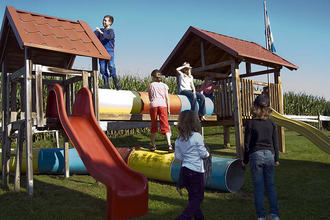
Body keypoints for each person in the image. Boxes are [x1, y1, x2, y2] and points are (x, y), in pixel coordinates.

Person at [242, 94, 280, 220]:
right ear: (268, 107)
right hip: (269, 155)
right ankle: (274, 215)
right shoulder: (272, 123)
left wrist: (245, 160)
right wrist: (277, 159)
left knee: (258, 187)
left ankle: (261, 216)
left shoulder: (250, 123)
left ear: (255, 107)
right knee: (270, 186)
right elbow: (275, 143)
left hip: (255, 155)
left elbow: (247, 145)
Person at [174, 110, 210, 220]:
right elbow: (203, 154)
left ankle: (199, 217)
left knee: (192, 197)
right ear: (194, 122)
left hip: (185, 170)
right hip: (196, 171)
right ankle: (183, 217)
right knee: (198, 197)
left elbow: (178, 157)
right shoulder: (197, 136)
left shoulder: (179, 139)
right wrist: (207, 153)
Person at [147, 69, 173, 152]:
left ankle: (153, 145)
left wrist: (153, 102)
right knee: (165, 124)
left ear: (153, 77)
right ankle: (169, 146)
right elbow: (167, 98)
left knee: (153, 124)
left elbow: (150, 97)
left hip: (154, 105)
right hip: (163, 105)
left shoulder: (151, 85)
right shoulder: (164, 85)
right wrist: (168, 108)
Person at [95, 15, 121, 90]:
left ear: (110, 23)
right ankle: (106, 83)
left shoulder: (111, 31)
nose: (104, 22)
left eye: (106, 20)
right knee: (102, 68)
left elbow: (109, 37)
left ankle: (116, 82)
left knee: (111, 66)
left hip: (109, 51)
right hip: (102, 51)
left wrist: (101, 33)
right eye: (103, 20)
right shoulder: (99, 31)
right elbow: (93, 35)